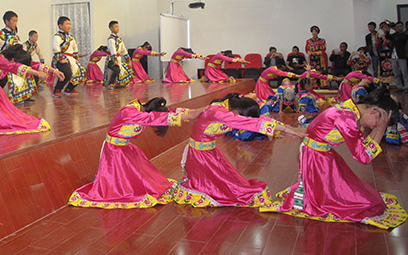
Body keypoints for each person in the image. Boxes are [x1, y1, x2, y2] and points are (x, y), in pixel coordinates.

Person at [260, 88, 407, 229]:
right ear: (374, 111)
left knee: (357, 194)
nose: (374, 126)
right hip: (315, 157)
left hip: (321, 153)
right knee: (352, 202)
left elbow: (362, 147)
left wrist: (378, 128)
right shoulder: (347, 118)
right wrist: (380, 130)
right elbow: (363, 157)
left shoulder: (350, 109)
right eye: (378, 122)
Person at [172, 93, 304, 208]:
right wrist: (287, 130)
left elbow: (257, 120)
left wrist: (287, 128)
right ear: (239, 111)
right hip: (199, 155)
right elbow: (250, 123)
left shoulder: (229, 108)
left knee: (229, 180)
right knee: (216, 187)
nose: (242, 120)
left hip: (210, 151)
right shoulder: (218, 111)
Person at [68, 97, 203, 208]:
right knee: (124, 187)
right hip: (114, 151)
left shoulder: (142, 110)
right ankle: (104, 181)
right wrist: (189, 115)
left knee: (145, 179)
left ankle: (103, 179)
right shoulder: (130, 112)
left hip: (126, 149)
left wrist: (196, 112)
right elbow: (151, 118)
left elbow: (168, 112)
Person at [52, 17, 86, 98]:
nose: (69, 26)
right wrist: (61, 59)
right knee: (67, 73)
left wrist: (76, 58)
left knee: (83, 73)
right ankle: (57, 89)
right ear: (60, 26)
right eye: (67, 24)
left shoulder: (70, 36)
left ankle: (69, 88)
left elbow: (75, 47)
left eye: (69, 24)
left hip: (71, 59)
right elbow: (55, 47)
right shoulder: (57, 36)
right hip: (61, 58)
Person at [103, 21, 133, 89]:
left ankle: (121, 84)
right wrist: (115, 60)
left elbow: (124, 49)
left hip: (119, 59)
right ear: (111, 28)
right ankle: (110, 84)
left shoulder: (119, 39)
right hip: (111, 59)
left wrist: (128, 60)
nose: (117, 28)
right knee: (116, 69)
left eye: (118, 26)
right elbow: (113, 50)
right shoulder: (111, 39)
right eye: (115, 27)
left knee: (128, 70)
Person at [391, 21, 408, 90]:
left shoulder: (405, 34)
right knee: (396, 72)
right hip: (393, 56)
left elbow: (402, 39)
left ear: (403, 27)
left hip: (401, 56)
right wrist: (387, 30)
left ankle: (406, 86)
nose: (398, 28)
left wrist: (396, 32)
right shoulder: (394, 35)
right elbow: (388, 36)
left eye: (400, 26)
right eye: (397, 27)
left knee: (404, 72)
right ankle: (399, 86)